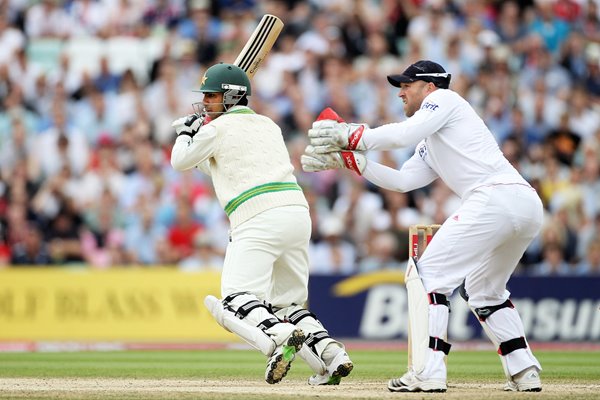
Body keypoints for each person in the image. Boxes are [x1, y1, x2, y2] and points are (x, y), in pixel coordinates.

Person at [301, 60, 543, 393]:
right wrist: (353, 160)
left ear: (429, 87)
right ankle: (525, 371)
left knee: (427, 274)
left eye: (406, 85)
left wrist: (352, 134)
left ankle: (429, 371)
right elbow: (403, 182)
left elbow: (404, 133)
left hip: (494, 199)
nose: (400, 92)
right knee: (484, 291)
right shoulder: (432, 138)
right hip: (523, 204)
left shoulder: (445, 99)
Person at [170, 62, 353, 385]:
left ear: (230, 97)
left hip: (257, 216)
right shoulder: (269, 125)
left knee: (235, 298)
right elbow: (218, 167)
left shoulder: (216, 129)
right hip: (297, 213)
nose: (206, 102)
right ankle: (331, 353)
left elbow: (179, 161)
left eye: (211, 96)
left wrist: (187, 133)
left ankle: (280, 335)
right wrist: (202, 137)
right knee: (288, 302)